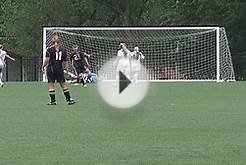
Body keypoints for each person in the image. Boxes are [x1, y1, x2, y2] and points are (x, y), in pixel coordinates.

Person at [41, 35, 75, 105]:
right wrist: (67, 70)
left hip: (51, 69)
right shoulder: (64, 50)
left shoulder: (49, 50)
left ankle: (53, 101)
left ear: (52, 42)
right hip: (59, 69)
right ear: (60, 42)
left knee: (51, 84)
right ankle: (69, 100)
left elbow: (47, 59)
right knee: (63, 84)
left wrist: (43, 66)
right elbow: (65, 62)